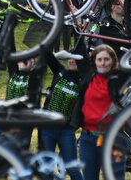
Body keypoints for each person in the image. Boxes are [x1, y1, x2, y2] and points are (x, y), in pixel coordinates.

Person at [71, 45, 125, 180]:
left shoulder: (118, 79)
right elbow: (79, 49)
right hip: (88, 138)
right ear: (94, 61)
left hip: (113, 139)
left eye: (106, 59)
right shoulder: (88, 77)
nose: (103, 63)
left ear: (113, 60)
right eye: (99, 59)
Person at [41, 50, 85, 180]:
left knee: (72, 168)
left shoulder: (84, 80)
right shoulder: (60, 71)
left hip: (66, 131)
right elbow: (47, 53)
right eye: (70, 58)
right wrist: (53, 30)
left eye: (75, 58)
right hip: (47, 127)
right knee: (46, 168)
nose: (72, 60)